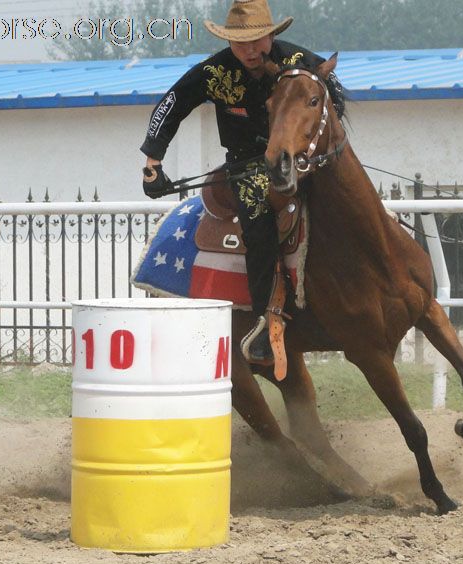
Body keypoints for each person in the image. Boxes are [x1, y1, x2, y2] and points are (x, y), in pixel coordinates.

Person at [141, 0, 344, 365]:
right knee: (258, 227)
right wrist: (152, 162)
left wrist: (315, 145)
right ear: (229, 41)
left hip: (301, 161)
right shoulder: (214, 71)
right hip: (247, 167)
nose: (250, 50)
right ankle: (268, 319)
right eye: (240, 42)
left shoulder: (300, 61)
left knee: (347, 202)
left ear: (271, 34)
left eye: (256, 40)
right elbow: (171, 104)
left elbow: (336, 96)